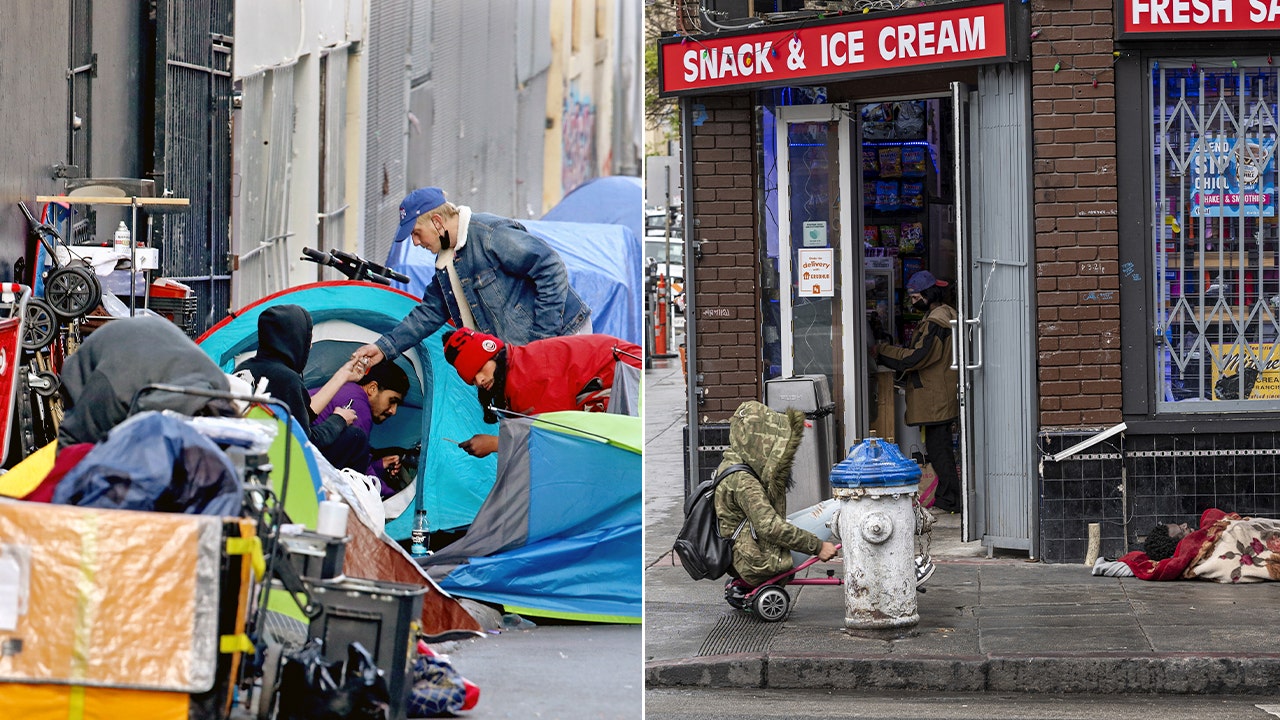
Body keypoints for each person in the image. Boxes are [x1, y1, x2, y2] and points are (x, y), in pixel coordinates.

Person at [351, 186, 591, 371]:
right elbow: (429, 313)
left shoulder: (489, 234)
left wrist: (542, 342)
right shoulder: (447, 262)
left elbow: (551, 268)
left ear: (437, 222)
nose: (415, 242)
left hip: (563, 336)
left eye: (416, 233)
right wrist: (384, 348)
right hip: (523, 356)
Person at [440, 327, 642, 458]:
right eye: (472, 379)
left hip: (625, 376)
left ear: (492, 354)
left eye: (479, 370)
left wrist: (495, 443)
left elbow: (559, 436)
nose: (480, 380)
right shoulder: (515, 366)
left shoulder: (530, 379)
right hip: (621, 369)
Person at [713, 401, 840, 592]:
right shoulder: (744, 482)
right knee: (836, 510)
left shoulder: (732, 462)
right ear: (760, 442)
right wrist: (818, 546)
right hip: (758, 560)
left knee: (816, 512)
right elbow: (770, 527)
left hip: (744, 551)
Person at [875, 270, 961, 513]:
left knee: (939, 450)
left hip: (935, 398)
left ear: (927, 294)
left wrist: (883, 352)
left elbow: (917, 357)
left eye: (915, 298)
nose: (913, 303)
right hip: (939, 394)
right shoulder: (944, 315)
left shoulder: (936, 322)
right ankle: (948, 498)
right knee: (939, 448)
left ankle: (951, 500)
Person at [234, 305, 362, 447]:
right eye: (307, 339)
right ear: (294, 339)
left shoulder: (245, 368)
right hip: (278, 461)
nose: (311, 346)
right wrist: (339, 420)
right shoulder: (286, 379)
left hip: (243, 452)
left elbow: (304, 415)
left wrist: (342, 375)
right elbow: (305, 443)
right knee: (355, 439)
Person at [311, 359, 410, 497]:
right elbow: (360, 476)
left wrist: (379, 466)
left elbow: (355, 462)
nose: (393, 411)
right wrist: (394, 498)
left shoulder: (349, 391)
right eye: (392, 401)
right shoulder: (358, 405)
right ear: (372, 388)